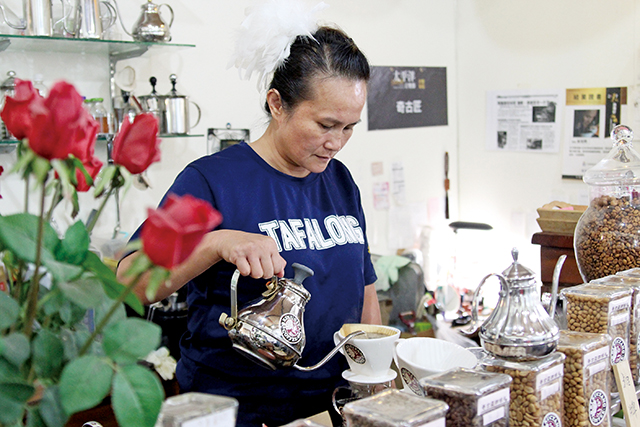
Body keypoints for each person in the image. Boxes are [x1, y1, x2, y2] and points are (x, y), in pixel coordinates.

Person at [117, 3, 380, 426]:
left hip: (329, 404)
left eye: (349, 127)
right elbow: (130, 280)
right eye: (326, 124)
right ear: (277, 103)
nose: (337, 142)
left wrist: (374, 381)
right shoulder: (212, 180)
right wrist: (217, 243)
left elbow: (364, 290)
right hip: (237, 409)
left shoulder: (341, 180)